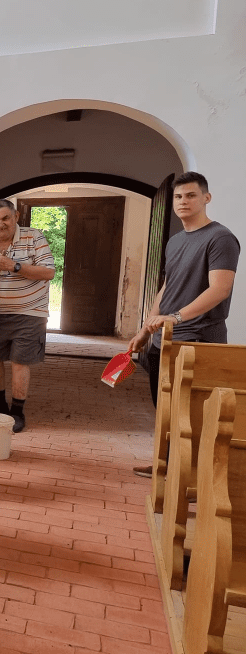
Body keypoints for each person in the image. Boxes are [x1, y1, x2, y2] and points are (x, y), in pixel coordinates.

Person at [127, 171, 239, 476]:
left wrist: (175, 317)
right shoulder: (175, 241)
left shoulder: (220, 238)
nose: (183, 201)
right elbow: (167, 287)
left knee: (192, 412)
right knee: (165, 408)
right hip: (163, 338)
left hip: (197, 338)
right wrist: (145, 329)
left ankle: (192, 478)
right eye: (178, 196)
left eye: (191, 195)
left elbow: (220, 289)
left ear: (206, 198)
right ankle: (166, 465)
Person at [0, 199, 56, 433]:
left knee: (20, 361)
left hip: (30, 312)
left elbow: (48, 272)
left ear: (16, 216)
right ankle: (0, 404)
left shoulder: (34, 238)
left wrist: (14, 266)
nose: (0, 224)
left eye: (5, 218)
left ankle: (17, 411)